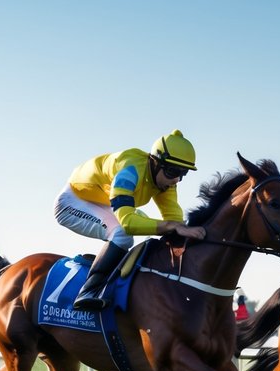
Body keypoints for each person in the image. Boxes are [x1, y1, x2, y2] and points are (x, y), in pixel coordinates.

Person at [54, 129, 206, 310]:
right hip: (73, 201)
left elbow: (175, 222)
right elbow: (128, 223)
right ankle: (88, 291)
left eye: (183, 173)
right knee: (122, 234)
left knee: (148, 223)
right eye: (173, 171)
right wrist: (169, 226)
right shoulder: (130, 171)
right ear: (155, 162)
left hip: (101, 201)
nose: (176, 180)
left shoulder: (165, 183)